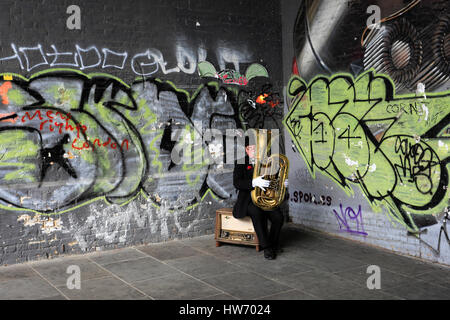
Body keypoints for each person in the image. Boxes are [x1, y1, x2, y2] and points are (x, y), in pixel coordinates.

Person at [232, 142, 288, 260]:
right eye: (253, 148)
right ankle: (267, 247)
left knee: (278, 217)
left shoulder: (267, 161)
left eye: (258, 147)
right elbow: (237, 183)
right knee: (257, 213)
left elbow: (273, 178)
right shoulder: (241, 161)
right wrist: (253, 182)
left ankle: (273, 244)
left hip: (265, 198)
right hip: (248, 200)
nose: (256, 150)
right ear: (247, 149)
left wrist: (281, 183)